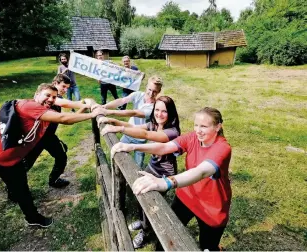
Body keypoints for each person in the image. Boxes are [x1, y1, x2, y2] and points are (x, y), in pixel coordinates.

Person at [0, 83, 105, 228]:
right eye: (47, 95)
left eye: (54, 97)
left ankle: (33, 218)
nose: (51, 99)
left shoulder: (44, 114)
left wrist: (85, 109)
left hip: (12, 161)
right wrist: (93, 114)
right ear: (36, 95)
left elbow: (66, 120)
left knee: (23, 192)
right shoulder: (29, 106)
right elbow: (63, 119)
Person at [111, 107, 232, 251]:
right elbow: (164, 147)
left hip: (212, 208)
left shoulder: (222, 148)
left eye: (204, 126)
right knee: (167, 236)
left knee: (207, 247)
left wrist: (165, 182)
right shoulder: (193, 137)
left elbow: (201, 172)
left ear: (218, 127)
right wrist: (131, 146)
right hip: (186, 197)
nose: (198, 130)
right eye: (196, 125)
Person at [99, 96, 181, 248]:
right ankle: (143, 222)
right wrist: (113, 122)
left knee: (150, 203)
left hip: (164, 172)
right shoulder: (154, 124)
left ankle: (145, 231)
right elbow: (135, 129)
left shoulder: (172, 132)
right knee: (138, 195)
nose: (159, 114)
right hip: (153, 166)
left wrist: (120, 131)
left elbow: (145, 135)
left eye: (164, 111)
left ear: (171, 113)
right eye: (157, 110)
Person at [20, 74, 90, 189]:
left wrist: (83, 107)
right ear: (55, 83)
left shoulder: (56, 98)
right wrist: (84, 104)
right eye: (63, 86)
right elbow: (65, 104)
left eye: (67, 87)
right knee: (26, 164)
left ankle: (54, 180)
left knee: (61, 156)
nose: (65, 90)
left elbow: (69, 119)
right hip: (36, 137)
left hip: (49, 137)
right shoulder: (52, 98)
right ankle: (13, 188)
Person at [92, 75, 163, 168]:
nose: (151, 93)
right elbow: (122, 100)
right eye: (150, 89)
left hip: (140, 138)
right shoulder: (138, 95)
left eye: (155, 91)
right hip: (127, 132)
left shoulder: (155, 107)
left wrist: (108, 112)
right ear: (146, 86)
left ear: (159, 92)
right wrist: (104, 106)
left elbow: (134, 113)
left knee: (138, 167)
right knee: (117, 155)